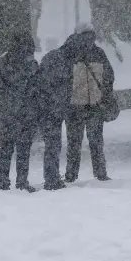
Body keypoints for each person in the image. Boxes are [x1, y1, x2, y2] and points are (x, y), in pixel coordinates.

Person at [64, 23, 114, 183]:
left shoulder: (69, 52)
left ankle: (71, 174)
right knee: (95, 141)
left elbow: (63, 78)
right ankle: (100, 173)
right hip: (93, 104)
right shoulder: (98, 53)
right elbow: (109, 76)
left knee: (74, 143)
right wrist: (102, 91)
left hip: (75, 105)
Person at [0, 32, 39, 192]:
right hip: (26, 112)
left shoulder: (2, 63)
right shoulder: (31, 65)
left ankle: (3, 182)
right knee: (23, 150)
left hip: (7, 113)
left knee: (6, 149)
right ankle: (22, 182)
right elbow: (37, 89)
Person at [36, 35, 78, 191]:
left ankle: (52, 176)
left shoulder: (52, 57)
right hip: (52, 109)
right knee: (53, 145)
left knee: (52, 145)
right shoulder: (63, 61)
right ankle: (51, 179)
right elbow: (56, 85)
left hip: (49, 108)